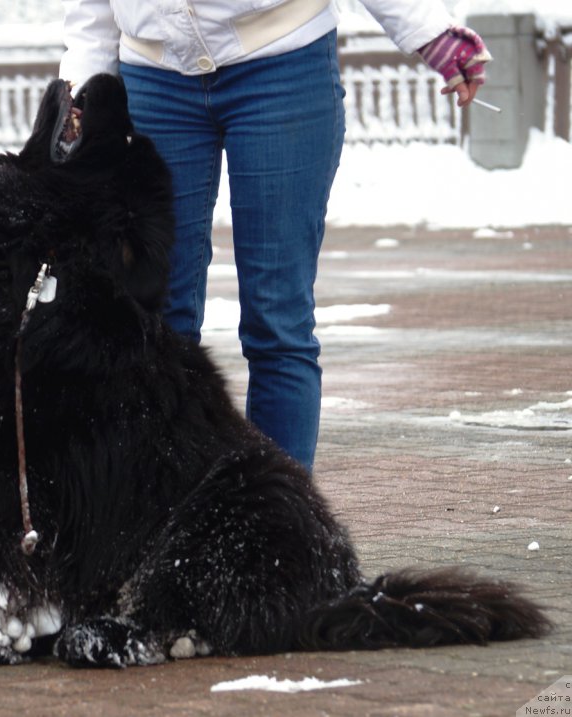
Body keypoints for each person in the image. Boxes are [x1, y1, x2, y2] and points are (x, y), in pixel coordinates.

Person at [58, 0, 491, 471]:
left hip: (282, 66)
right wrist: (80, 90)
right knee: (153, 325)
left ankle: (277, 532)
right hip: (153, 79)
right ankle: (160, 525)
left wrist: (429, 31)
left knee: (276, 322)